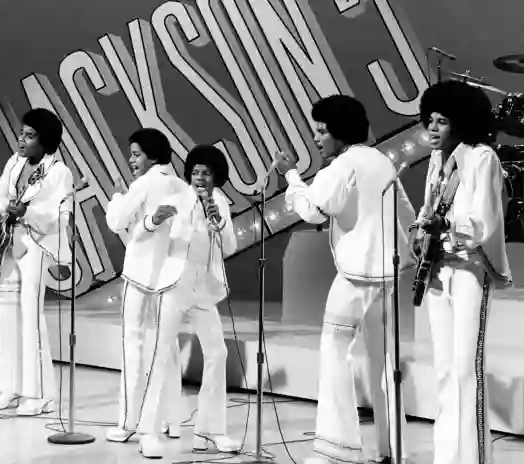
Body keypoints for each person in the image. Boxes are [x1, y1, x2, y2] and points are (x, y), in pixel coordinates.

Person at [275, 95, 417, 464]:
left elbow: (313, 210)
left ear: (338, 132)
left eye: (322, 131)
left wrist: (291, 176)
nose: (318, 139)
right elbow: (406, 213)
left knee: (334, 354)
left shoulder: (342, 166)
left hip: (354, 279)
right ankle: (394, 450)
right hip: (386, 276)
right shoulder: (382, 160)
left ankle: (335, 451)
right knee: (384, 362)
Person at [410, 80, 511, 464]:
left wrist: (447, 229)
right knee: (443, 369)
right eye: (429, 120)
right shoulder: (437, 160)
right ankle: (445, 456)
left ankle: (472, 458)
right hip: (437, 270)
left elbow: (482, 219)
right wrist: (420, 229)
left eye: (442, 121)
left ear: (462, 122)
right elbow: (427, 208)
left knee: (467, 369)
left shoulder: (482, 157)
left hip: (469, 271)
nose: (432, 129)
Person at [130, 145, 240, 459]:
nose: (200, 178)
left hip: (203, 287)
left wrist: (218, 222)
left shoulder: (220, 203)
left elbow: (229, 246)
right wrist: (153, 219)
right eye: (195, 172)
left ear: (216, 176)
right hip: (175, 284)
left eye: (206, 173)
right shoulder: (177, 198)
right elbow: (140, 232)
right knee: (161, 353)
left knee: (217, 353)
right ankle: (148, 432)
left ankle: (211, 430)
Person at [0, 108, 73, 416]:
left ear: (45, 141)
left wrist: (27, 214)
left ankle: (41, 394)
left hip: (35, 246)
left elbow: (59, 215)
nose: (22, 139)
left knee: (31, 317)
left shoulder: (58, 172)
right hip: (8, 243)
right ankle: (10, 387)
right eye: (22, 133)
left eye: (30, 135)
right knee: (8, 316)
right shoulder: (15, 162)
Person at [105, 128, 187, 448]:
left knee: (133, 346)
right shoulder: (180, 186)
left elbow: (116, 221)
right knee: (167, 346)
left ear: (152, 155)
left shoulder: (144, 184)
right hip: (170, 280)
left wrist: (117, 196)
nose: (131, 159)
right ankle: (173, 420)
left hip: (140, 277)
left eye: (137, 154)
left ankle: (128, 421)